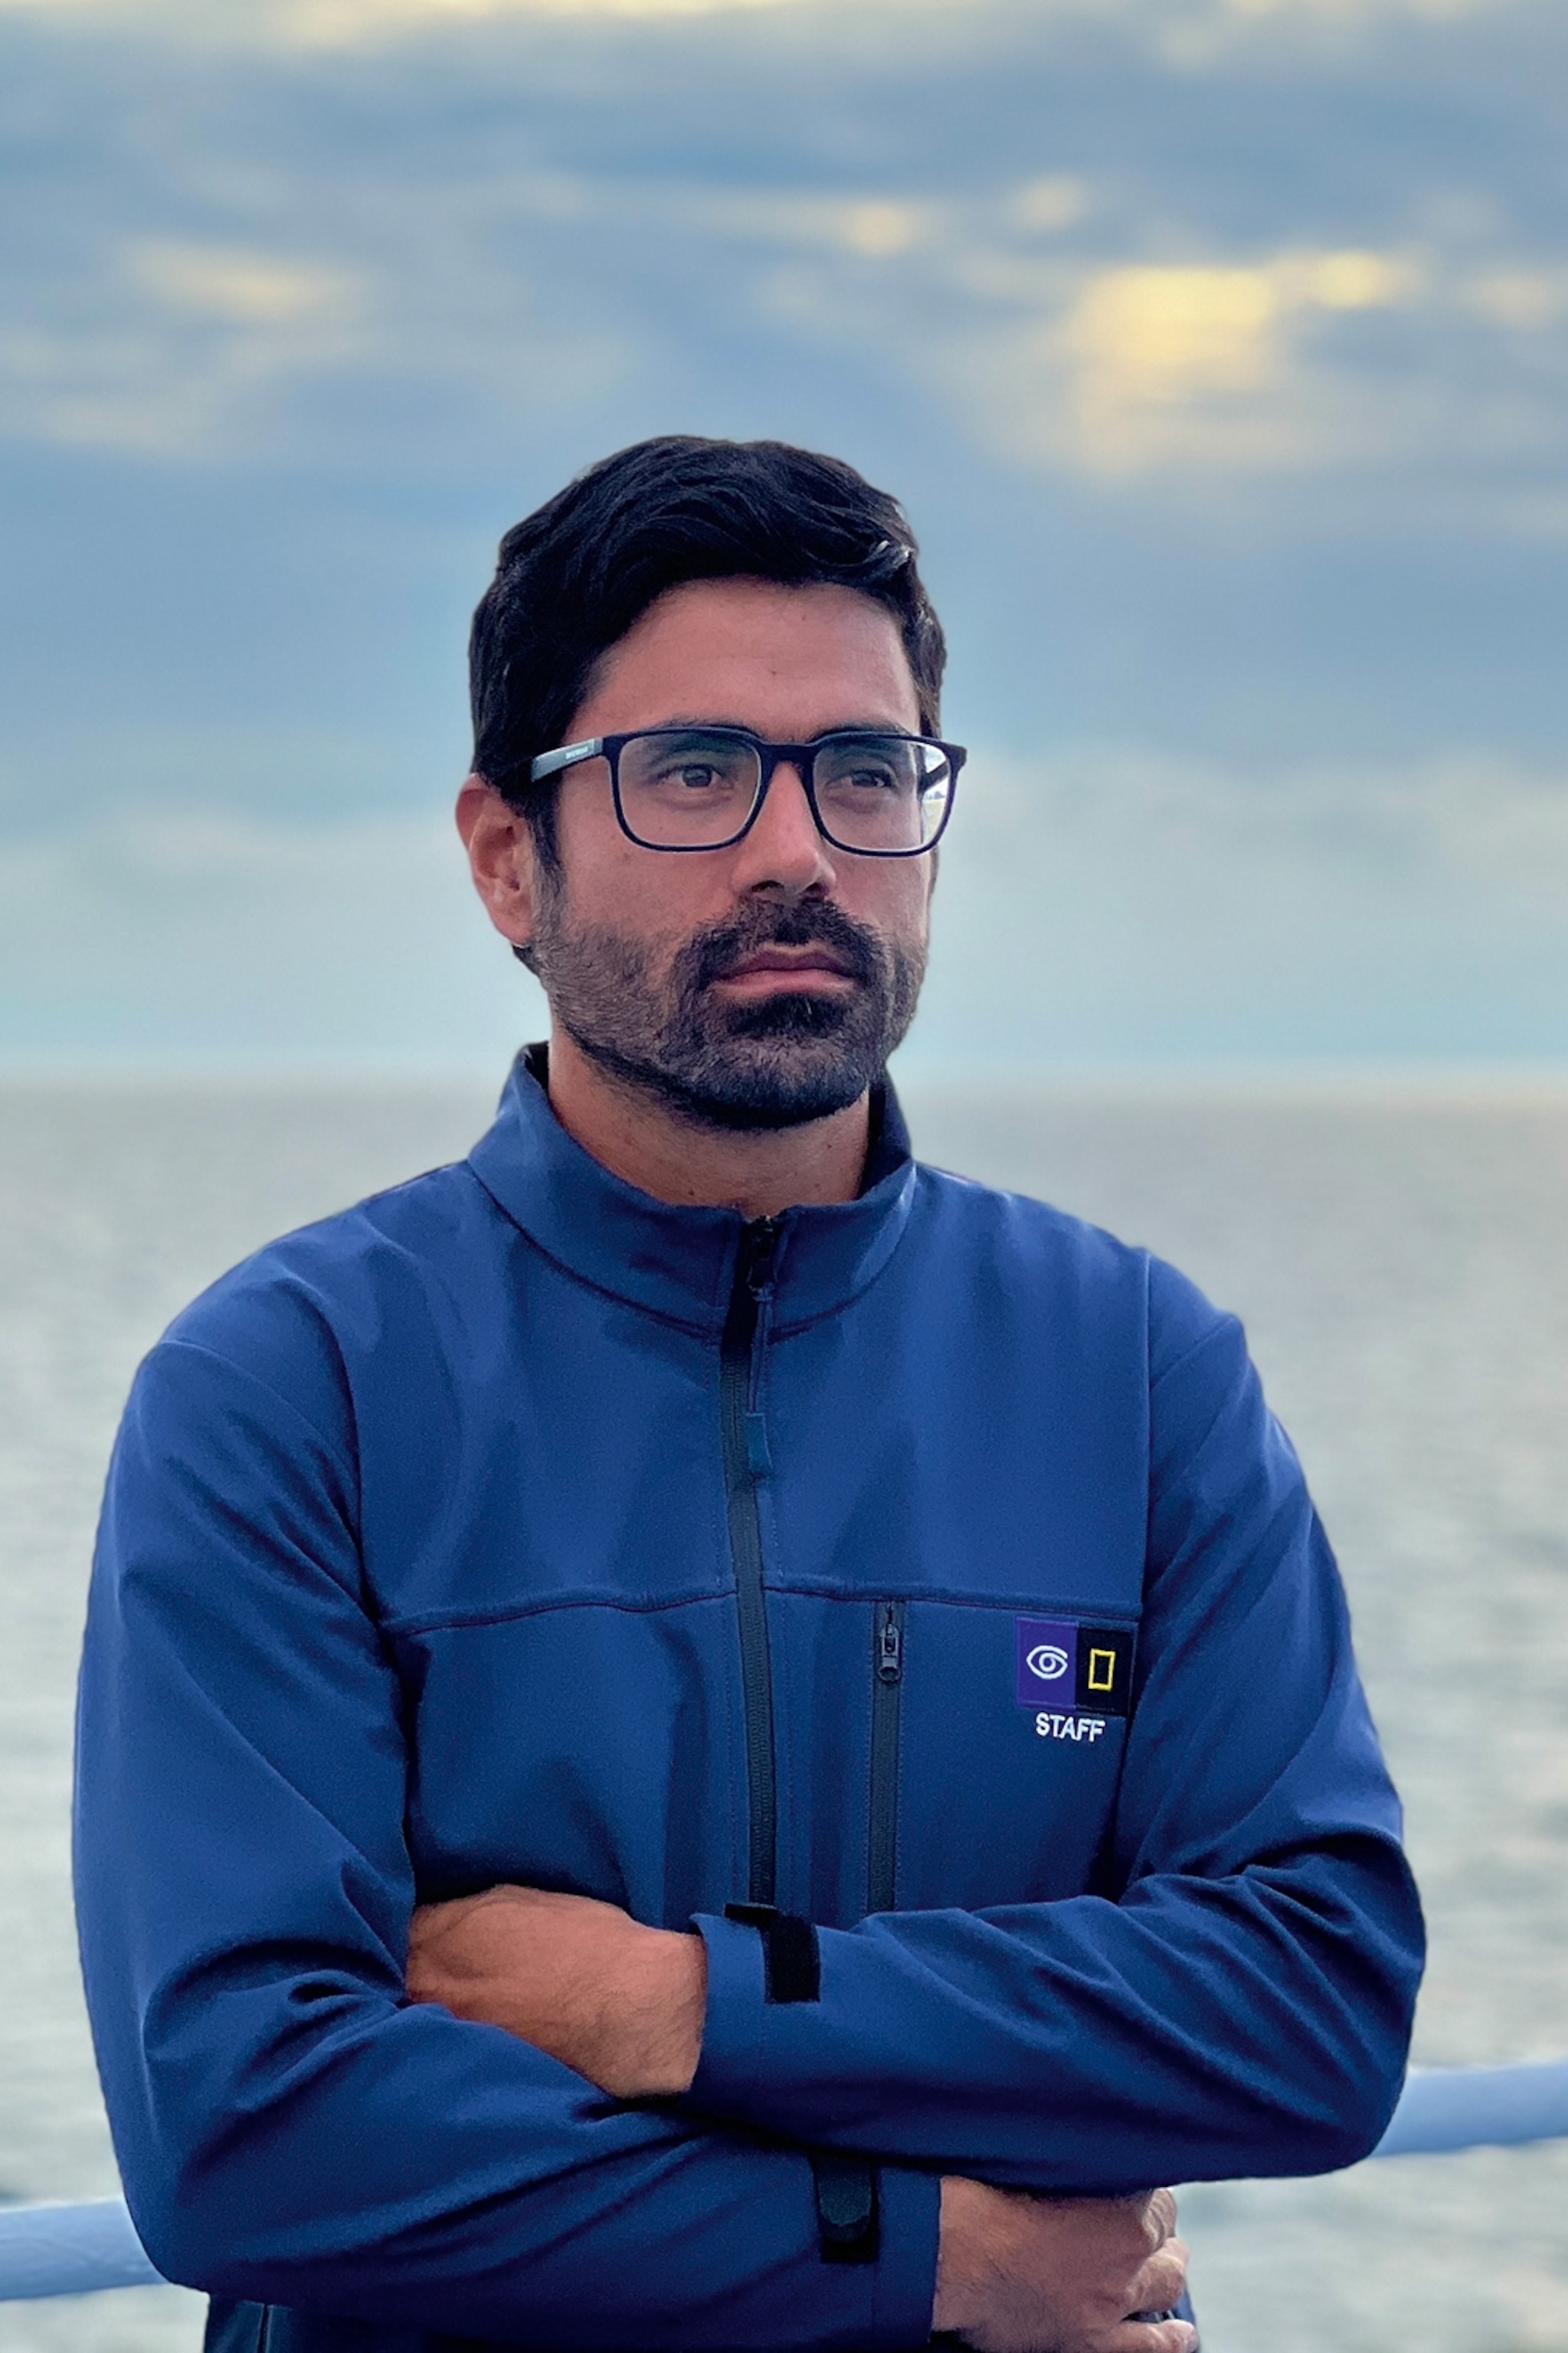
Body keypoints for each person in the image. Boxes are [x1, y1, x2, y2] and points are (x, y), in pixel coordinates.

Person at [74, 436, 1424, 2353]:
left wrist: (680, 2005)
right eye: (694, 772)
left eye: (866, 774)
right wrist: (932, 2257)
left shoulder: (1132, 1367)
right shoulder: (292, 1387)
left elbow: (1311, 2012)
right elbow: (246, 2126)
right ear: (502, 857)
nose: (798, 851)